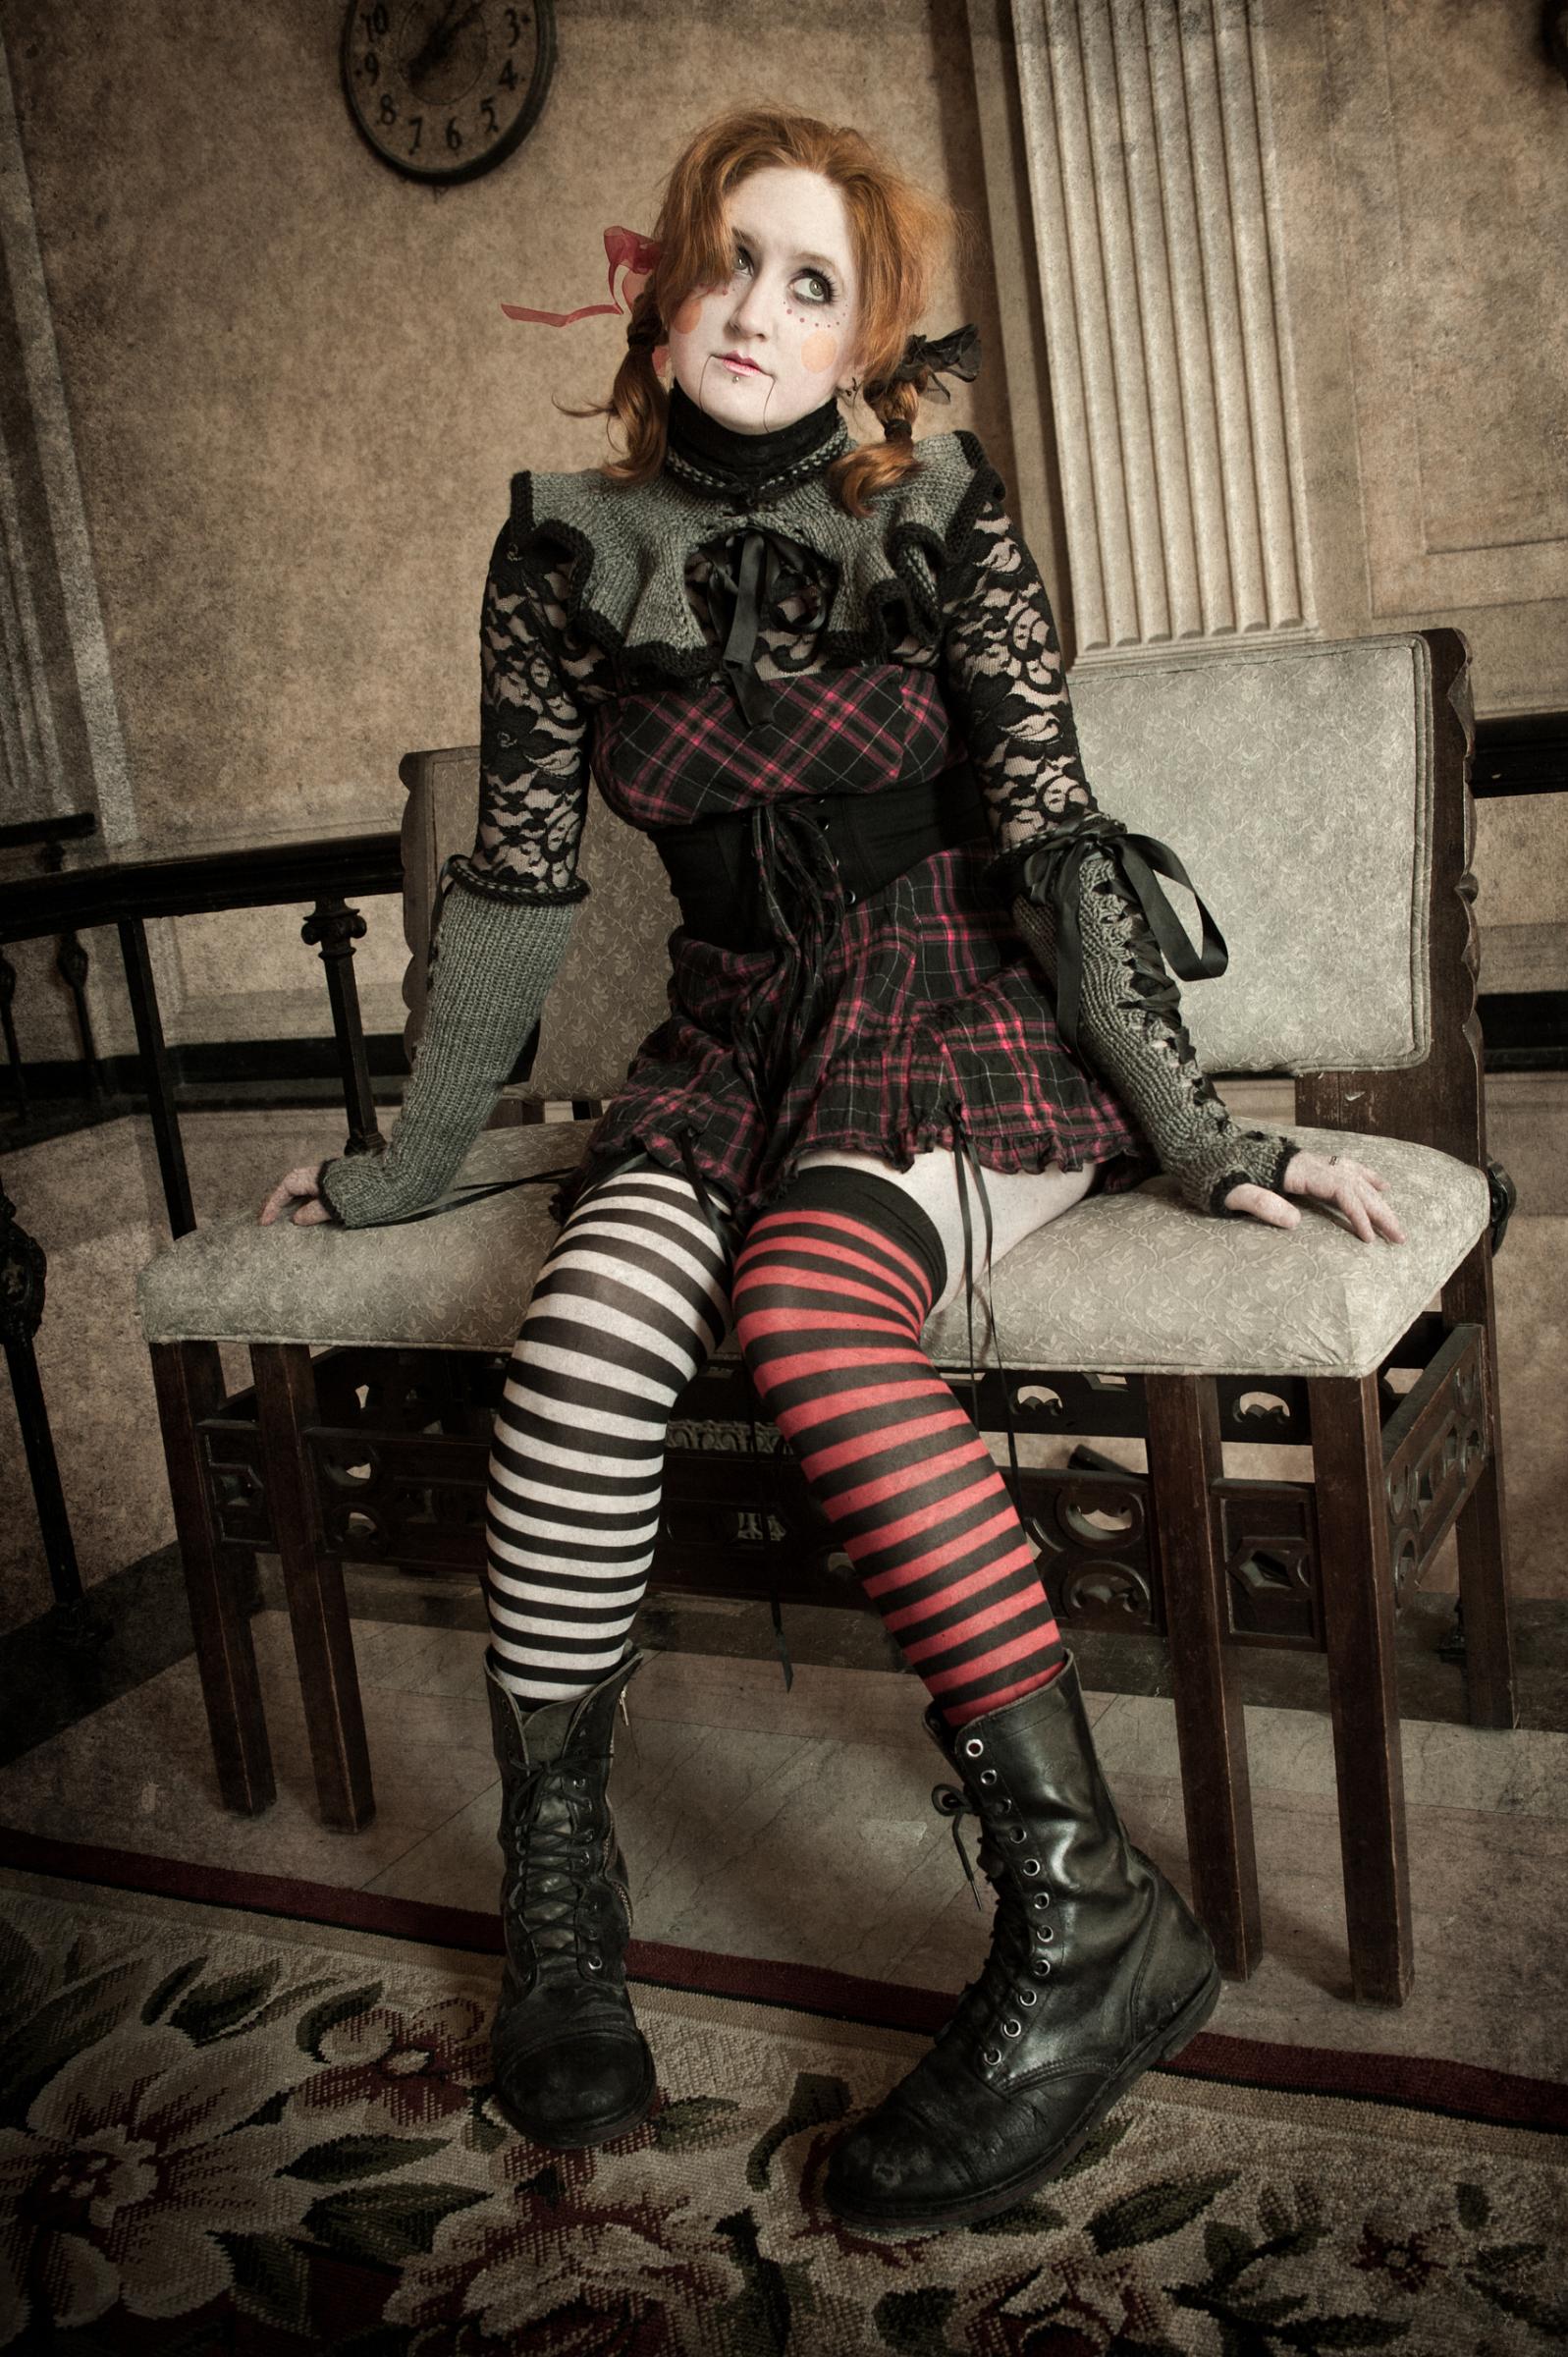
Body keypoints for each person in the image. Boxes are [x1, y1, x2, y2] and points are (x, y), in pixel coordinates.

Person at [259, 107, 1404, 2238]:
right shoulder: (560, 553)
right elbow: (514, 887)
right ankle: (562, 1904)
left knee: (801, 1311)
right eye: (727, 261)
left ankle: (1088, 1916)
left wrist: (1198, 1132)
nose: (755, 310)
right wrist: (409, 1166)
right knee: (582, 1344)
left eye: (813, 284)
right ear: (658, 291)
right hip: (729, 1036)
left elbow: (1053, 833)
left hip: (945, 1005)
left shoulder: (940, 516)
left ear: (867, 338)